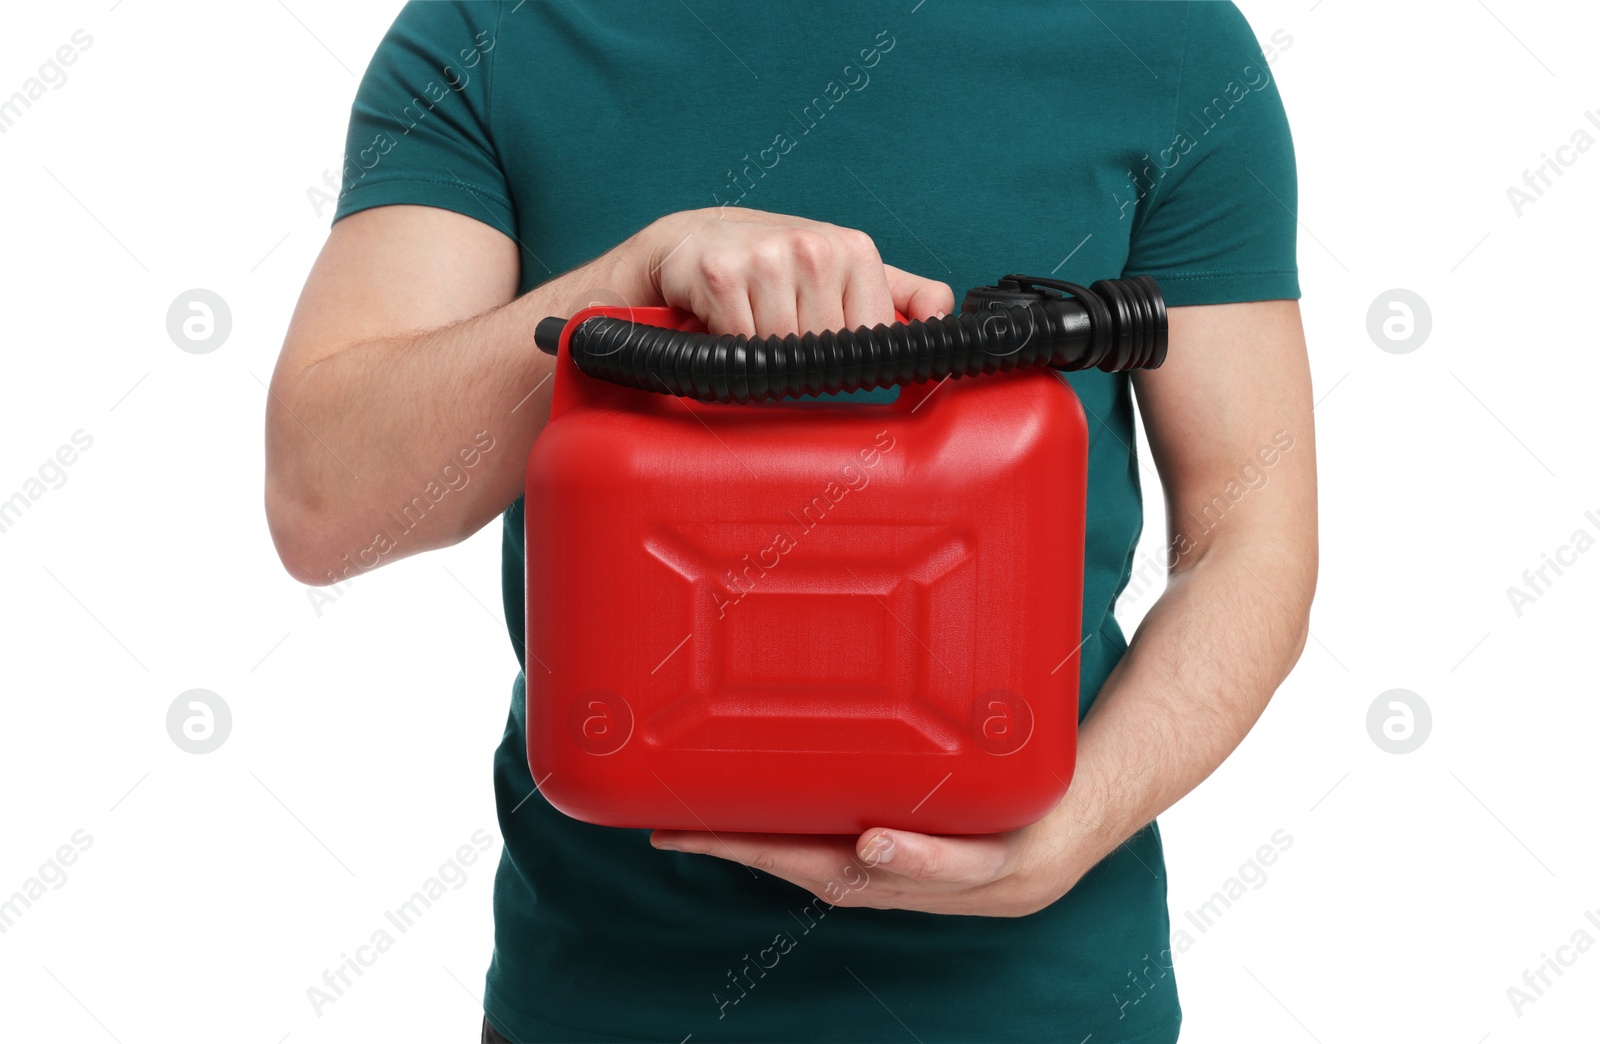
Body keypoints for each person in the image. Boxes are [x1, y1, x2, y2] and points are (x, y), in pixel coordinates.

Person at [265, 2, 1317, 1040]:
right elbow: (326, 505)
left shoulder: (1163, 37)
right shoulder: (494, 29)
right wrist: (629, 282)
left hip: (1044, 1005)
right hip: (601, 1001)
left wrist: (1067, 831)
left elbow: (1248, 537)